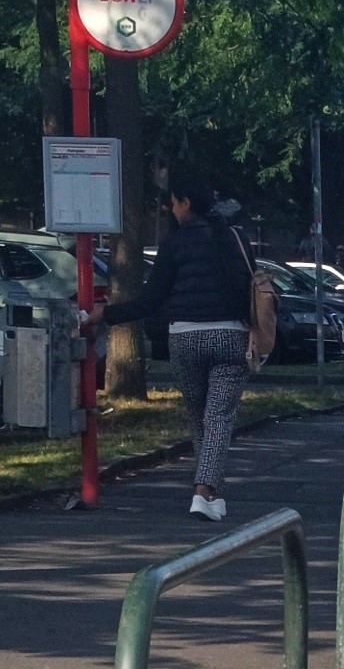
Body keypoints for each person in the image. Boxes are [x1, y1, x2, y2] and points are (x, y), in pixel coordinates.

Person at [103, 184, 273, 522]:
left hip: (185, 338)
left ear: (186, 202)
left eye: (174, 204)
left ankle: (210, 492)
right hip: (230, 336)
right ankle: (204, 490)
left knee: (200, 419)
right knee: (218, 419)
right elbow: (251, 285)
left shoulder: (174, 243)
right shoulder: (234, 238)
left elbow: (151, 300)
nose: (172, 211)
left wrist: (105, 315)